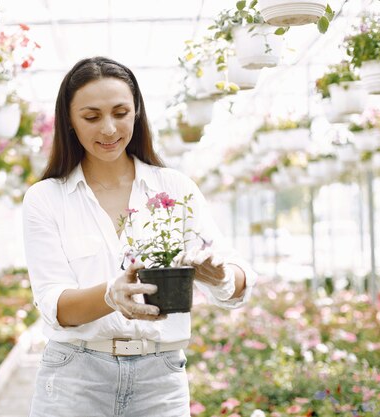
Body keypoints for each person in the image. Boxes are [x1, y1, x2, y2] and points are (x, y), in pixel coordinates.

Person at [22, 56, 256, 417]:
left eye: (120, 112)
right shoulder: (46, 198)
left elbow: (237, 276)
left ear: (137, 113)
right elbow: (54, 304)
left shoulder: (174, 187)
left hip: (159, 380)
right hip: (75, 379)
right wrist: (110, 296)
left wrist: (223, 276)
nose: (109, 128)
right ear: (69, 121)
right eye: (91, 116)